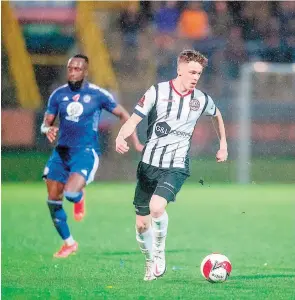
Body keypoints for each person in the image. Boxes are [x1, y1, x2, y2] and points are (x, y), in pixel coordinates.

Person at [115, 50, 228, 280]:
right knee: (141, 225)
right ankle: (149, 261)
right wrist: (120, 136)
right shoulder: (157, 92)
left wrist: (223, 144)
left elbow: (216, 115)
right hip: (149, 165)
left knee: (157, 207)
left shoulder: (201, 100)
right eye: (192, 72)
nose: (195, 77)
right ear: (179, 70)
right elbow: (134, 119)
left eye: (199, 73)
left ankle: (159, 252)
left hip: (176, 165)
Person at [41, 54, 143, 258]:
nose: (72, 72)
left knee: (70, 194)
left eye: (77, 69)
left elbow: (124, 115)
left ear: (85, 71)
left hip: (85, 153)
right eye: (70, 68)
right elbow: (46, 122)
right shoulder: (58, 95)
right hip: (61, 153)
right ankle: (69, 243)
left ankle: (79, 197)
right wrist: (47, 129)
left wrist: (135, 141)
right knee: (53, 200)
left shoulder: (98, 94)